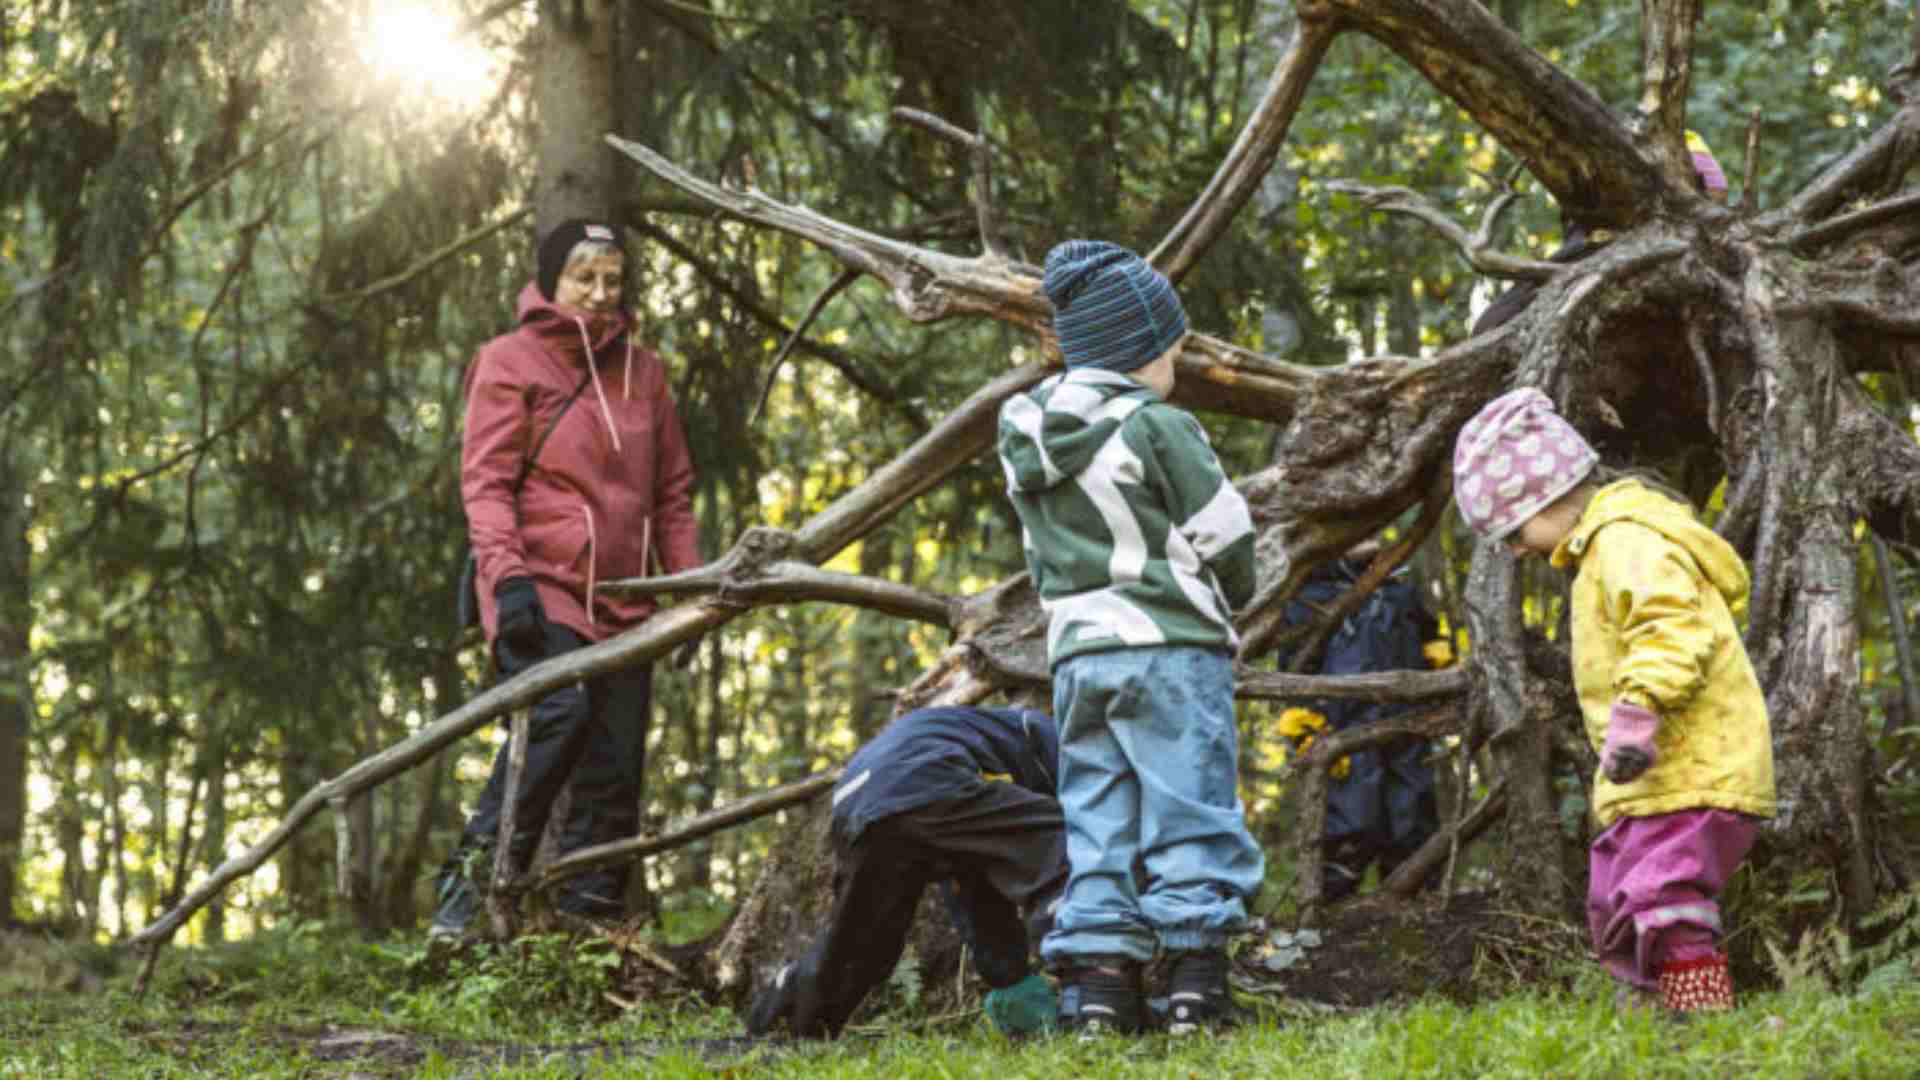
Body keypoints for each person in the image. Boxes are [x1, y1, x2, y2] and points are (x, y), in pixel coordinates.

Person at [995, 240, 1264, 1035]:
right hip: (1171, 647)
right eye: (1173, 347)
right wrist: (1234, 596)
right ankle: (1193, 990)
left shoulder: (1026, 437)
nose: (1178, 361)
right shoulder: (1158, 426)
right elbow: (1226, 535)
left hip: (1080, 655)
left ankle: (1102, 994)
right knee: (1191, 806)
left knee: (1099, 815)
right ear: (1140, 347)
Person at [1452, 387, 1775, 1015]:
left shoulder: (1628, 541)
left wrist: (1635, 716)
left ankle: (1703, 1016)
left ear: (1545, 499)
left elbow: (1671, 627)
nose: (1517, 549)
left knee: (1664, 897)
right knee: (1618, 896)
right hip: (1657, 775)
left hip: (1695, 768)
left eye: (1514, 530)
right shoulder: (1601, 549)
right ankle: (1650, 1016)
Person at [431, 218, 703, 936]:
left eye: (612, 278)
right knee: (558, 716)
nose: (600, 291)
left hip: (625, 599)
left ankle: (590, 935)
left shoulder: (646, 375)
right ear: (552, 280)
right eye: (584, 276)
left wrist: (691, 594)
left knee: (615, 766)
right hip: (540, 583)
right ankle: (465, 902)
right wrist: (507, 578)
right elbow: (485, 482)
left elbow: (671, 495)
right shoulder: (508, 360)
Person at [746, 706, 1068, 1040]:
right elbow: (1057, 843)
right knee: (1066, 840)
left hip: (855, 799)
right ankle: (1091, 986)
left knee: (863, 946)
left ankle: (782, 1025)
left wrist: (1009, 978)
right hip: (920, 776)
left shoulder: (981, 739)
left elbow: (970, 884)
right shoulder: (1055, 739)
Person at [1274, 549, 1442, 901]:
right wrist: (1304, 718)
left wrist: (1435, 655)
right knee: (1351, 817)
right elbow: (1294, 660)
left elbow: (1429, 631)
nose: (1374, 536)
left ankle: (1417, 900)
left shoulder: (1397, 588)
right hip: (1343, 725)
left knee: (1411, 810)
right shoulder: (1312, 595)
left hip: (1406, 720)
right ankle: (1333, 910)